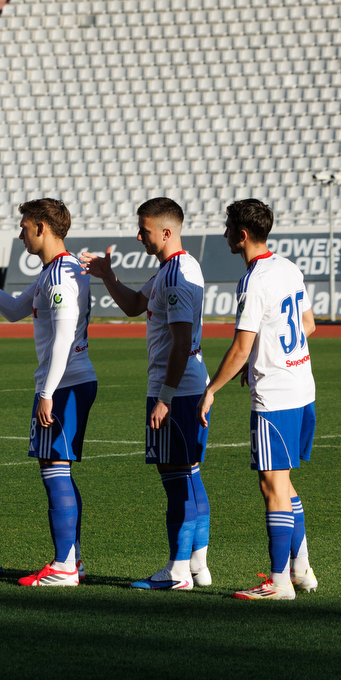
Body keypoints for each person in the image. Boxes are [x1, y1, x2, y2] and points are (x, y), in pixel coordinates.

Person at [80, 198, 212, 590]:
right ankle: (196, 566)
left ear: (167, 231)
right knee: (189, 474)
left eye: (145, 230)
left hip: (177, 390)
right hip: (187, 387)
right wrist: (107, 275)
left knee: (174, 478)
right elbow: (136, 305)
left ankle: (176, 572)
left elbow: (181, 340)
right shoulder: (175, 269)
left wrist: (165, 397)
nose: (139, 236)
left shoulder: (174, 275)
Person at [0, 198, 96, 587]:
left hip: (66, 382)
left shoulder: (58, 276)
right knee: (60, 471)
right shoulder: (55, 271)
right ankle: (72, 560)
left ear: (42, 228)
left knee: (54, 472)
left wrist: (47, 392)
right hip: (71, 380)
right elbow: (12, 309)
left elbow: (64, 337)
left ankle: (64, 566)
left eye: (25, 226)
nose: (20, 232)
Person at [200, 199, 318, 601]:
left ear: (243, 235)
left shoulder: (254, 280)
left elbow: (239, 347)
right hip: (303, 386)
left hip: (275, 395)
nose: (224, 233)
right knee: (284, 482)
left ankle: (279, 582)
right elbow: (309, 325)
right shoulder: (288, 267)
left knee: (272, 487)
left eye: (228, 227)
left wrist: (211, 389)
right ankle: (301, 570)